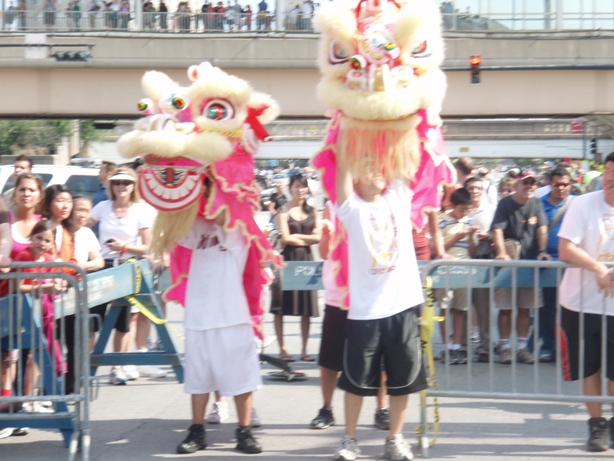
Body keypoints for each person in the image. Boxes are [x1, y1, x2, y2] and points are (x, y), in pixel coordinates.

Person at [332, 159, 427, 461]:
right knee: (356, 382)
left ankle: (395, 439)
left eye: (378, 166)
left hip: (402, 307)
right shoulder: (352, 209)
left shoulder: (397, 198)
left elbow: (404, 159)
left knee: (402, 380)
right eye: (367, 167)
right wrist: (348, 135)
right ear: (356, 179)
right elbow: (342, 172)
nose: (376, 171)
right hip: (365, 312)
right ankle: (349, 440)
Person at [175, 176, 262, 455]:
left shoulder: (238, 226)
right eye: (205, 186)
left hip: (232, 315)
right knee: (198, 379)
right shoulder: (198, 224)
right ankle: (197, 431)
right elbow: (174, 226)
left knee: (241, 377)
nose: (206, 191)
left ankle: (244, 432)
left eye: (210, 185)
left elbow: (225, 216)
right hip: (199, 315)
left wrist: (220, 181)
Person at [309, 201, 390, 432]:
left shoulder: (376, 203)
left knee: (378, 357)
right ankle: (326, 409)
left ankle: (381, 409)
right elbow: (324, 252)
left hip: (370, 295)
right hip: (338, 295)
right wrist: (327, 236)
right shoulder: (331, 206)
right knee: (330, 357)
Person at [558, 151, 614, 452]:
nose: (609, 180)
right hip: (580, 304)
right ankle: (597, 426)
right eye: (607, 173)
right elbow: (566, 249)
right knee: (589, 368)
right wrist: (599, 268)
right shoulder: (583, 204)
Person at [89, 168, 162, 384]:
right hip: (102, 267)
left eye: (126, 183)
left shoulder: (141, 210)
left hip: (127, 267)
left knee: (122, 321)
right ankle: (85, 367)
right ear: (111, 186)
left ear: (133, 187)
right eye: (117, 182)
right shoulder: (102, 207)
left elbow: (148, 247)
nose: (121, 187)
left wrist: (124, 247)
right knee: (93, 320)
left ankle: (117, 367)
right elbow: (82, 227)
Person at [491, 169, 550, 365]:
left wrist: (542, 250)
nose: (529, 186)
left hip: (530, 263)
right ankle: (505, 347)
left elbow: (542, 228)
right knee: (505, 309)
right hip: (508, 264)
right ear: (516, 185)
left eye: (532, 183)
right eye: (525, 183)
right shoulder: (505, 203)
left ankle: (522, 348)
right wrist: (501, 253)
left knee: (525, 309)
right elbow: (497, 230)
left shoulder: (536, 203)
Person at [524, 167, 573, 364]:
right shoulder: (538, 204)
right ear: (550, 184)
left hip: (572, 264)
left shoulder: (577, 204)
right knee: (547, 309)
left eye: (564, 184)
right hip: (547, 263)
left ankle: (569, 347)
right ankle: (550, 347)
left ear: (570, 185)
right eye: (556, 184)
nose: (560, 188)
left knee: (570, 308)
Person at [272, 173, 321, 362]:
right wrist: (305, 239)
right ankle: (283, 349)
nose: (300, 189)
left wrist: (296, 239)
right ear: (290, 188)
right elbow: (285, 238)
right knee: (279, 307)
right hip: (286, 260)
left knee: (307, 307)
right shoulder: (282, 211)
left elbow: (318, 238)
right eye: (296, 186)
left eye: (303, 186)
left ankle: (304, 349)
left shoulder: (313, 211)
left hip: (307, 260)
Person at [434, 188, 477, 364]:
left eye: (467, 209)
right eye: (462, 209)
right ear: (453, 205)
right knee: (444, 307)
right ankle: (445, 347)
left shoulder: (469, 221)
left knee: (460, 309)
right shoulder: (442, 222)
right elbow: (436, 249)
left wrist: (472, 235)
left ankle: (456, 347)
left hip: (464, 269)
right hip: (445, 270)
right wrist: (456, 237)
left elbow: (473, 251)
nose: (465, 212)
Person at [464, 177, 496, 362]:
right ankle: (462, 346)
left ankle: (485, 347)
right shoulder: (459, 210)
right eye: (471, 188)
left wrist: (488, 236)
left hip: (483, 260)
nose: (474, 191)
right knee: (461, 307)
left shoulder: (491, 210)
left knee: (484, 309)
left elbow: (499, 232)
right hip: (462, 263)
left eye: (478, 188)